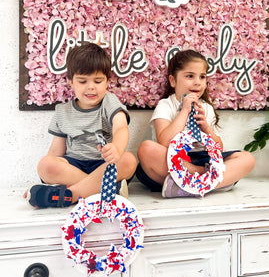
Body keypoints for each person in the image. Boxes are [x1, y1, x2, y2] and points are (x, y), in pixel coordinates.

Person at [26, 42, 137, 208]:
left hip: (103, 165)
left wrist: (117, 148)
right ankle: (107, 190)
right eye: (83, 81)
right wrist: (48, 175)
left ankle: (72, 193)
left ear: (107, 82)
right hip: (74, 165)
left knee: (128, 160)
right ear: (71, 82)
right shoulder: (62, 111)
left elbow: (121, 127)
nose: (91, 87)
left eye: (98, 81)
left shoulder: (109, 102)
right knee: (45, 164)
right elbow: (56, 152)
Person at [136, 49, 255, 197]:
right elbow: (165, 141)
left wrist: (206, 127)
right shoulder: (166, 105)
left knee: (247, 159)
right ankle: (211, 180)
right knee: (146, 149)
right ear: (173, 80)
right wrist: (184, 111)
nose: (197, 82)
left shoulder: (206, 108)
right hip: (175, 158)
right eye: (190, 76)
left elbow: (218, 149)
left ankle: (185, 187)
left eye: (202, 77)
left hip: (203, 158)